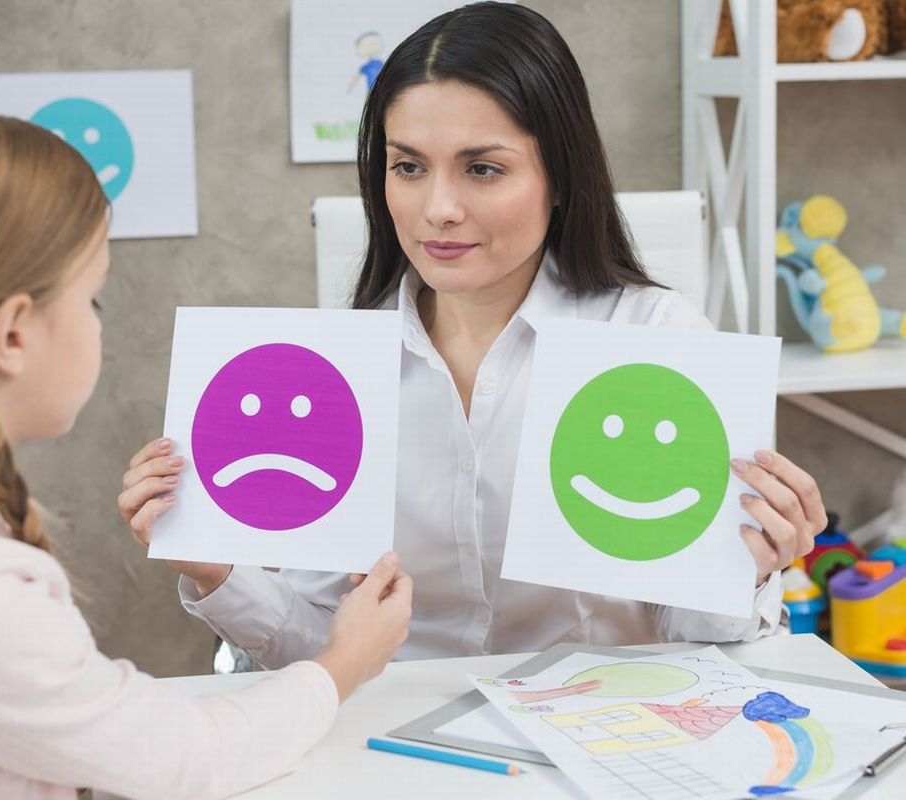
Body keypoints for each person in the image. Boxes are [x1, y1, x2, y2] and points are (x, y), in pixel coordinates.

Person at [0, 108, 412, 800]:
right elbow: (180, 760)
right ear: (13, 337)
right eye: (94, 301)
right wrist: (343, 662)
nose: (98, 325)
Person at [121, 2, 825, 669]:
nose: (439, 209)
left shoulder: (655, 338)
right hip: (395, 745)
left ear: (559, 178)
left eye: (483, 169)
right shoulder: (338, 371)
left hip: (602, 740)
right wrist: (218, 571)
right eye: (408, 167)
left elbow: (700, 644)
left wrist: (746, 566)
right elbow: (321, 656)